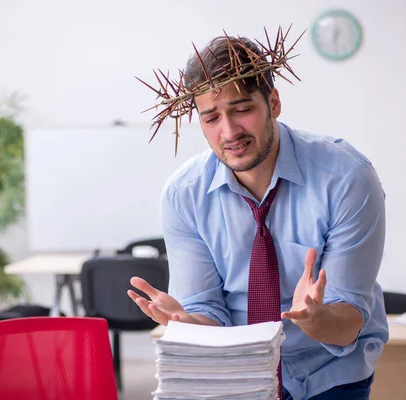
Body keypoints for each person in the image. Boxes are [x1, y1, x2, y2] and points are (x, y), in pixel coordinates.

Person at [127, 33, 389, 400]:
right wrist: (188, 323)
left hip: (327, 368)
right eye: (211, 118)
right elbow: (207, 311)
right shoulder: (183, 194)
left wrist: (316, 319)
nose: (229, 132)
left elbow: (347, 324)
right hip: (234, 369)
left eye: (241, 109)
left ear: (274, 102)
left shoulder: (347, 178)